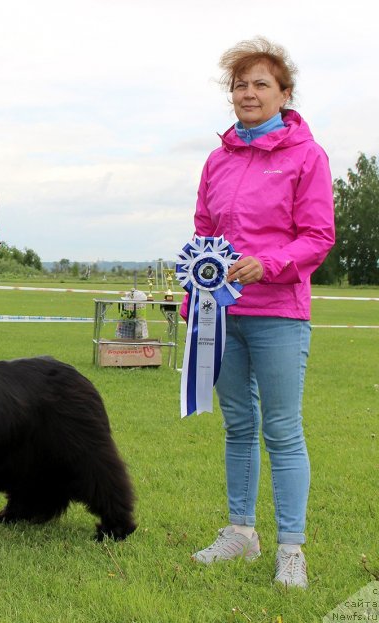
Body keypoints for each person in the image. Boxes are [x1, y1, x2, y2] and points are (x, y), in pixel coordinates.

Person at [187, 37, 335, 589]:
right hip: (221, 316)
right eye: (240, 85)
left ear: (284, 93)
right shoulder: (217, 159)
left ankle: (290, 548)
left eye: (260, 84)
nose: (248, 93)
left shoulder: (307, 156)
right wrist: (193, 301)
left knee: (282, 430)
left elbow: (318, 237)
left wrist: (267, 265)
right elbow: (203, 235)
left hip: (279, 312)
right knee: (238, 427)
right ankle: (240, 533)